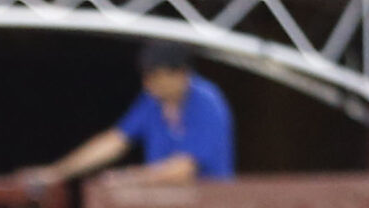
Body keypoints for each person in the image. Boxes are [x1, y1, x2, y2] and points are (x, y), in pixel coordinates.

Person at [22, 41, 237, 190]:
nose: (149, 85)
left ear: (181, 74)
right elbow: (115, 141)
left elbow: (184, 169)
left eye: (157, 78)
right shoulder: (152, 100)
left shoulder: (207, 102)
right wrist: (56, 173)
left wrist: (129, 178)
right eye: (147, 77)